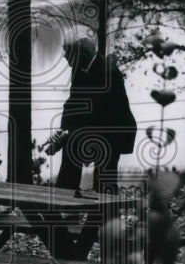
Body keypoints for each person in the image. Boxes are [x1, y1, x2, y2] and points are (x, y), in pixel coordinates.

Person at [45, 36, 137, 194]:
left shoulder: (109, 73)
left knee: (105, 177)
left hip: (115, 130)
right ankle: (65, 200)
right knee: (71, 146)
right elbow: (73, 102)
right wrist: (63, 130)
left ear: (83, 54)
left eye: (69, 55)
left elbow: (103, 114)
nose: (64, 58)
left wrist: (70, 133)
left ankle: (106, 214)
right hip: (95, 126)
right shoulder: (79, 67)